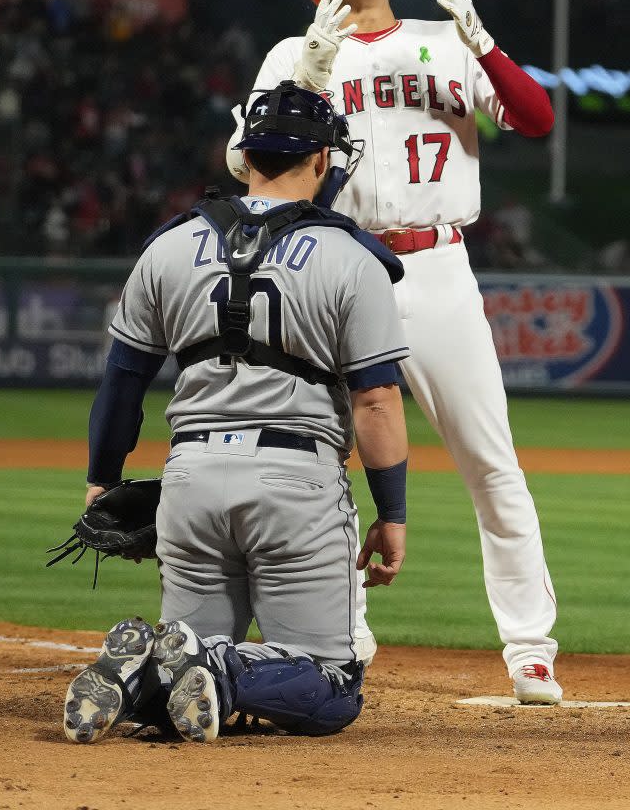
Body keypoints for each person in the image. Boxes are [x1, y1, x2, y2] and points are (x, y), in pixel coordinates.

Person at [229, 0, 562, 705]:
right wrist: (304, 77)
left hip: (439, 264)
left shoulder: (445, 39)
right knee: (320, 463)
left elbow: (536, 120)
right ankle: (341, 630)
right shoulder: (292, 52)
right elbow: (245, 161)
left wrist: (483, 45)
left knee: (490, 461)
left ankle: (529, 650)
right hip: (337, 265)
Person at [63, 81, 410, 744]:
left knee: (185, 669)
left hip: (189, 481)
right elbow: (374, 399)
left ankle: (139, 675)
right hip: (295, 486)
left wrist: (102, 481)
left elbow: (122, 381)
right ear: (320, 162)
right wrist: (390, 513)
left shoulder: (167, 246)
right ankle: (213, 669)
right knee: (330, 686)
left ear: (244, 156)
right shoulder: (349, 257)